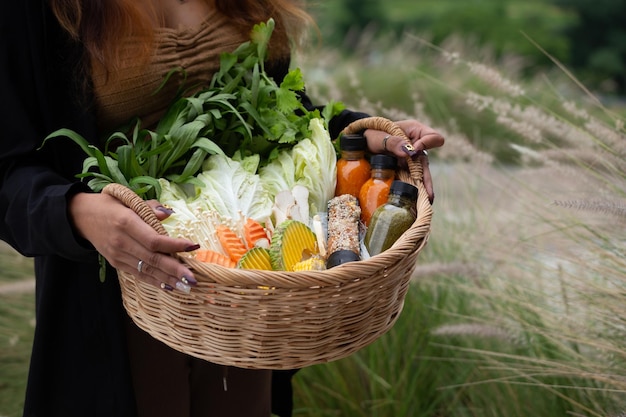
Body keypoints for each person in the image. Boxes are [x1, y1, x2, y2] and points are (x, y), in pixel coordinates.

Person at [0, 1, 444, 416]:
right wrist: (76, 212)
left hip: (245, 280)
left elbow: (278, 111)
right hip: (118, 290)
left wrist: (355, 137)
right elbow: (8, 169)